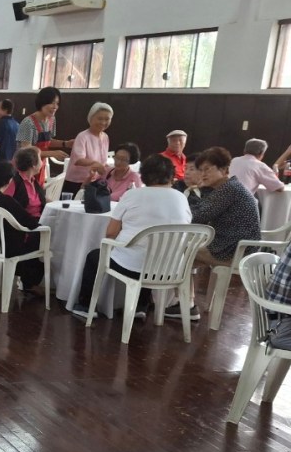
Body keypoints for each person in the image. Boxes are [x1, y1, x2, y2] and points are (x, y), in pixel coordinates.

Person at [70, 154, 191, 321]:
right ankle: (140, 306)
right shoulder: (181, 198)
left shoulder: (133, 195)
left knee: (95, 257)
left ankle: (85, 306)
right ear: (171, 176)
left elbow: (111, 233)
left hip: (133, 268)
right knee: (151, 251)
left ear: (143, 175)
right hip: (171, 268)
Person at [0, 160, 45, 293]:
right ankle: (30, 282)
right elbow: (30, 223)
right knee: (37, 238)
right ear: (9, 180)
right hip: (7, 248)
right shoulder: (7, 201)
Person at [190, 147, 261, 275]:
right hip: (233, 247)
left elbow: (199, 216)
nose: (203, 174)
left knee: (180, 249)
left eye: (207, 169)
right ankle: (190, 289)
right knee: (187, 253)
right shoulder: (230, 187)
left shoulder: (229, 189)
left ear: (223, 170)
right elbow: (203, 211)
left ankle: (173, 286)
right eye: (200, 170)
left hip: (235, 252)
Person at [16, 87, 74, 183]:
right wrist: (52, 153)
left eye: (57, 103)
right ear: (42, 102)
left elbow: (48, 141)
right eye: (52, 103)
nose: (55, 107)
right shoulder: (28, 123)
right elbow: (26, 151)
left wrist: (66, 143)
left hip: (39, 166)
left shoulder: (52, 120)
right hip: (25, 169)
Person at [63, 102, 113, 196]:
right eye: (100, 118)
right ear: (91, 118)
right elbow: (78, 160)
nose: (103, 122)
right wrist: (95, 163)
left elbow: (103, 161)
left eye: (107, 119)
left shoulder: (105, 137)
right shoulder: (82, 136)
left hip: (95, 181)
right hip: (76, 182)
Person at [2, 146, 46, 221]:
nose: (42, 162)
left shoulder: (33, 180)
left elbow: (39, 199)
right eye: (40, 159)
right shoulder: (14, 181)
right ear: (33, 164)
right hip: (23, 223)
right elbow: (4, 203)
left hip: (40, 219)